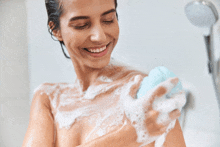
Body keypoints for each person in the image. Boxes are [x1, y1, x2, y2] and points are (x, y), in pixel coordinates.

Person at [22, 0, 186, 146]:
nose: (99, 36)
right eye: (81, 25)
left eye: (108, 20)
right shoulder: (49, 99)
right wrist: (132, 134)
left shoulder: (144, 96)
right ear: (56, 29)